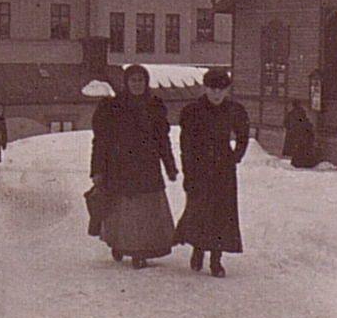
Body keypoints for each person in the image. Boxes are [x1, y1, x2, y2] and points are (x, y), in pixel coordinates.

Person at [90, 64, 178, 269]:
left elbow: (162, 140)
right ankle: (119, 245)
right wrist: (97, 170)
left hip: (147, 166)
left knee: (145, 211)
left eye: (141, 80)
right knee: (123, 211)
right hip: (119, 166)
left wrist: (170, 166)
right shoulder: (112, 107)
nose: (137, 84)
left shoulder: (154, 106)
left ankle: (140, 251)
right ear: (126, 83)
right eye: (133, 80)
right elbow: (101, 140)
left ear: (146, 83)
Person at [174, 68, 249, 278]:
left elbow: (243, 135)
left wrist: (235, 156)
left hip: (223, 169)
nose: (216, 94)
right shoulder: (193, 111)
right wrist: (188, 172)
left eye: (221, 89)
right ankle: (198, 250)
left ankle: (216, 259)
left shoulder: (234, 110)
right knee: (199, 210)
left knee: (222, 214)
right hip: (199, 167)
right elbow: (186, 145)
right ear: (205, 88)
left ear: (227, 90)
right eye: (212, 89)